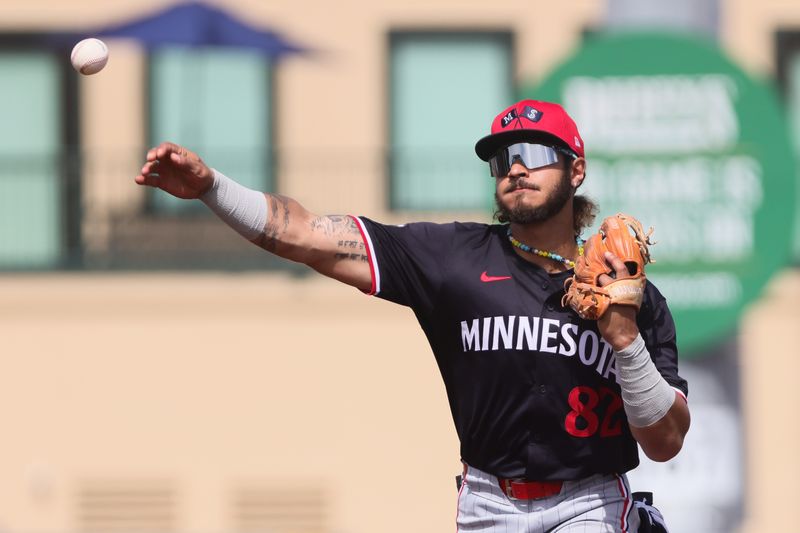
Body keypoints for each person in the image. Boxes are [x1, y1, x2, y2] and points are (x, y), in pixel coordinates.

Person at [134, 99, 690, 532]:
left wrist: (623, 338)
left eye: (536, 152)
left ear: (576, 171)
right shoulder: (451, 259)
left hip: (588, 501)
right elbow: (304, 235)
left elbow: (665, 442)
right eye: (504, 157)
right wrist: (211, 188)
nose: (517, 166)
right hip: (487, 503)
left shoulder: (632, 294)